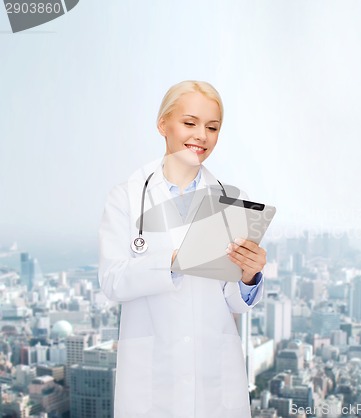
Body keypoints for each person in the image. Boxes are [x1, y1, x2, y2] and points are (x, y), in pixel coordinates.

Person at [98, 80, 267, 418]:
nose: (201, 135)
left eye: (212, 127)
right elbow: (112, 281)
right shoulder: (127, 197)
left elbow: (232, 299)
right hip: (152, 380)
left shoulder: (229, 200)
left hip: (214, 378)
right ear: (163, 124)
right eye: (190, 123)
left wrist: (249, 276)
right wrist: (173, 262)